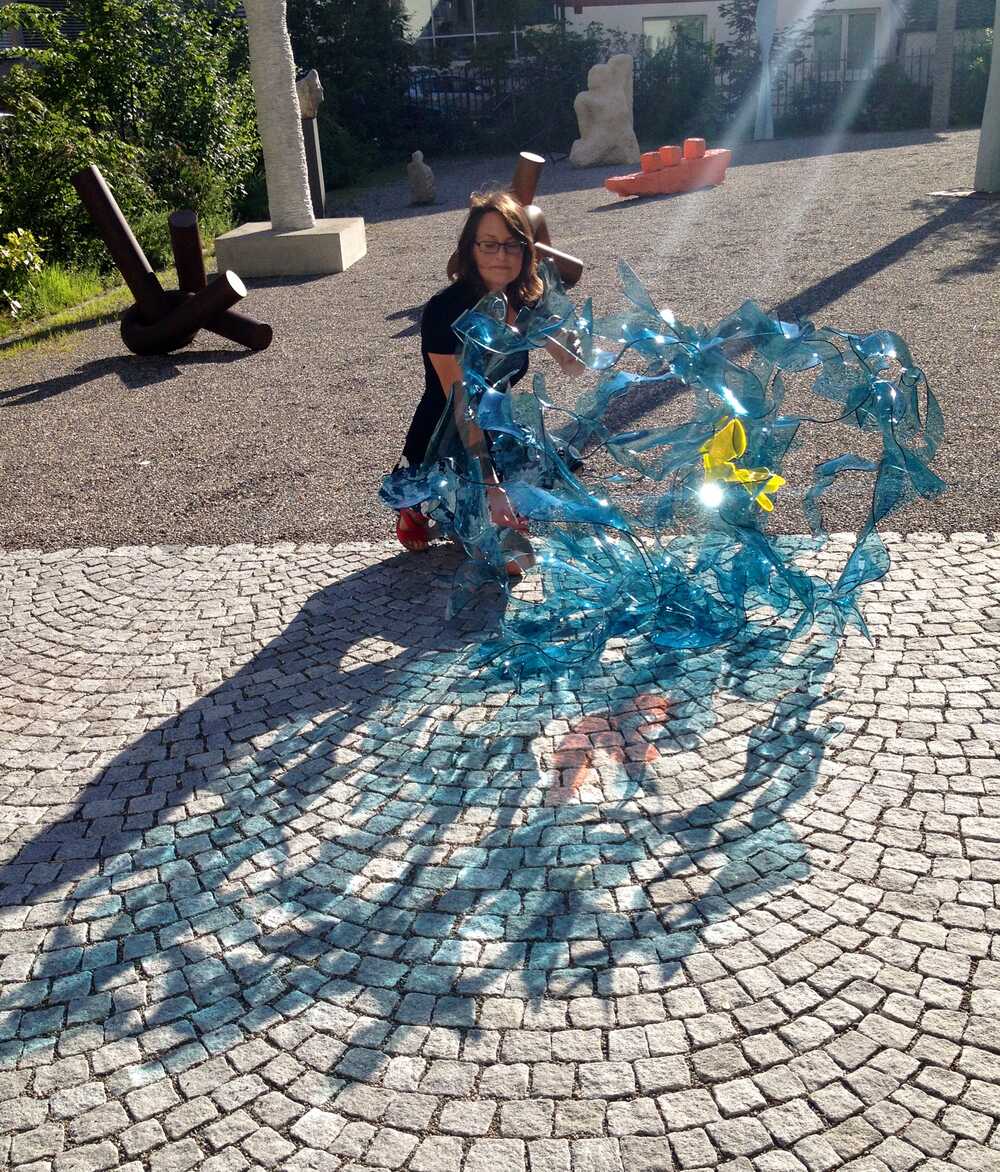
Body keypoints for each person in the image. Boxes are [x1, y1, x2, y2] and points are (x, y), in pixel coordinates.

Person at [394, 190, 582, 555]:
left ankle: (480, 513)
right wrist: (491, 488)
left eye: (512, 245)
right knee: (510, 558)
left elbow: (573, 367)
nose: (501, 256)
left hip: (497, 427)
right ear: (471, 249)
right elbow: (462, 406)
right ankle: (417, 508)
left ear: (526, 251)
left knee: (552, 480)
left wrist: (571, 346)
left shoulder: (527, 300)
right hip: (447, 433)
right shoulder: (445, 310)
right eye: (489, 244)